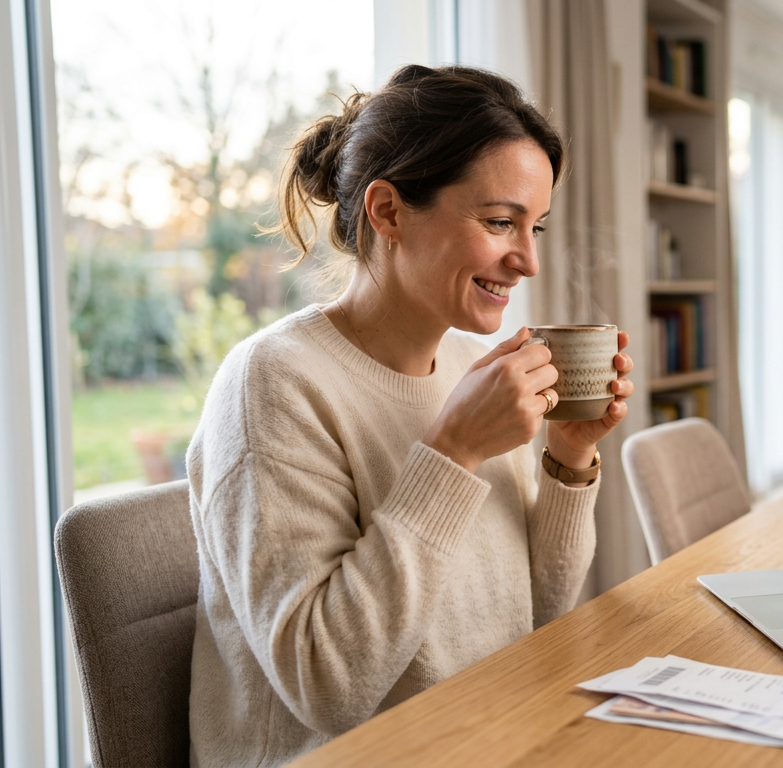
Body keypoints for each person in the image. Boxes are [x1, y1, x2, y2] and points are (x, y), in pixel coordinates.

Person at [185, 64, 633, 767]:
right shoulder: (273, 382)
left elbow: (537, 613)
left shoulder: (469, 368)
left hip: (487, 736)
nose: (528, 261)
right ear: (388, 211)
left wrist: (570, 456)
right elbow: (326, 685)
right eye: (500, 222)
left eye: (535, 227)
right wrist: (452, 452)